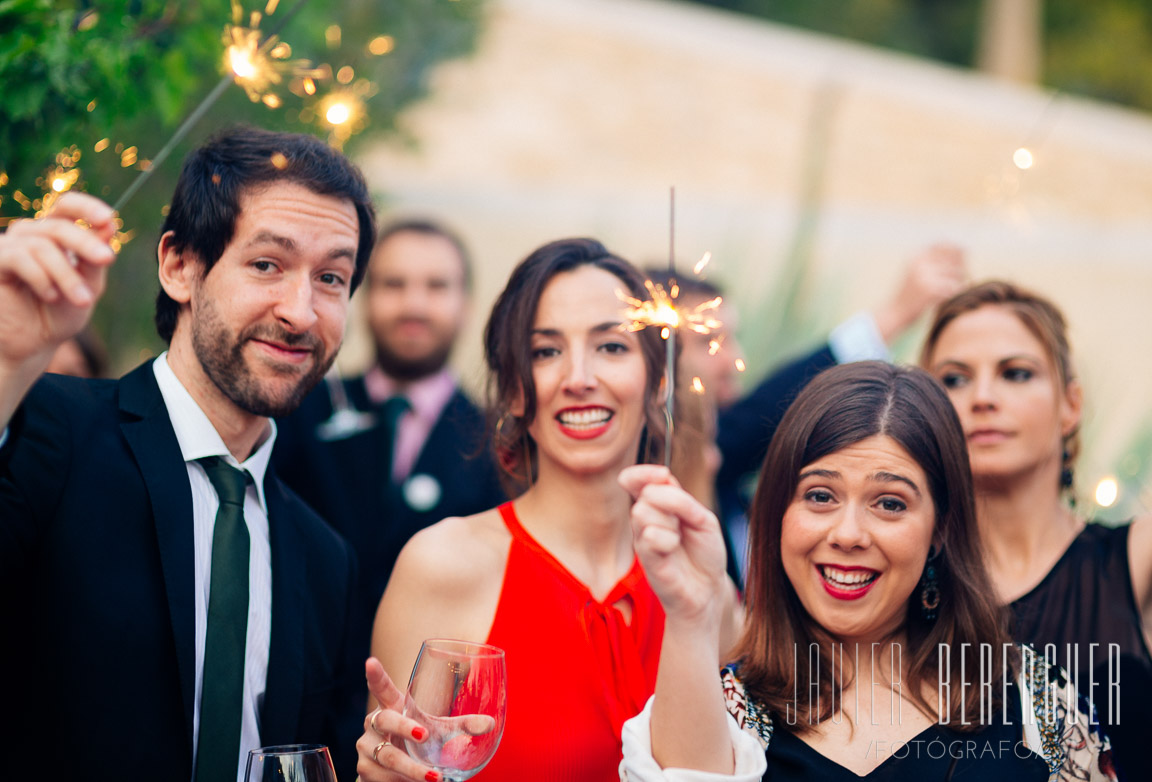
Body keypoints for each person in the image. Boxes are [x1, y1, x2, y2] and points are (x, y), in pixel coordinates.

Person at [0, 126, 376, 781]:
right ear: (179, 265)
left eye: (331, 278)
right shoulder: (47, 429)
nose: (301, 312)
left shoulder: (324, 560)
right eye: (267, 264)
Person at [355, 238, 742, 782]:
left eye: (611, 347)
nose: (579, 378)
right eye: (545, 352)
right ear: (514, 390)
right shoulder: (443, 565)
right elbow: (400, 767)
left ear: (658, 380)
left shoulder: (709, 592)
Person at [618, 361, 1115, 780]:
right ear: (777, 515)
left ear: (940, 528)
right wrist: (690, 613)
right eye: (819, 496)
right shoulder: (724, 713)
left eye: (890, 503)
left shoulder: (1031, 699)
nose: (848, 534)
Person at [921, 280, 1152, 781]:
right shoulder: (898, 578)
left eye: (1016, 373)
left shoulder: (1148, 553)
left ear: (1070, 405)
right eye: (954, 379)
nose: (983, 397)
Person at [648, 243, 968, 582]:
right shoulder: (654, 462)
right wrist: (893, 316)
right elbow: (756, 419)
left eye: (733, 339)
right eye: (708, 342)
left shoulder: (734, 495)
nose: (734, 359)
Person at [274, 218, 503, 639]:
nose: (413, 305)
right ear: (363, 296)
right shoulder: (297, 409)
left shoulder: (497, 442)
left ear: (466, 304)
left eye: (436, 287)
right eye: (393, 284)